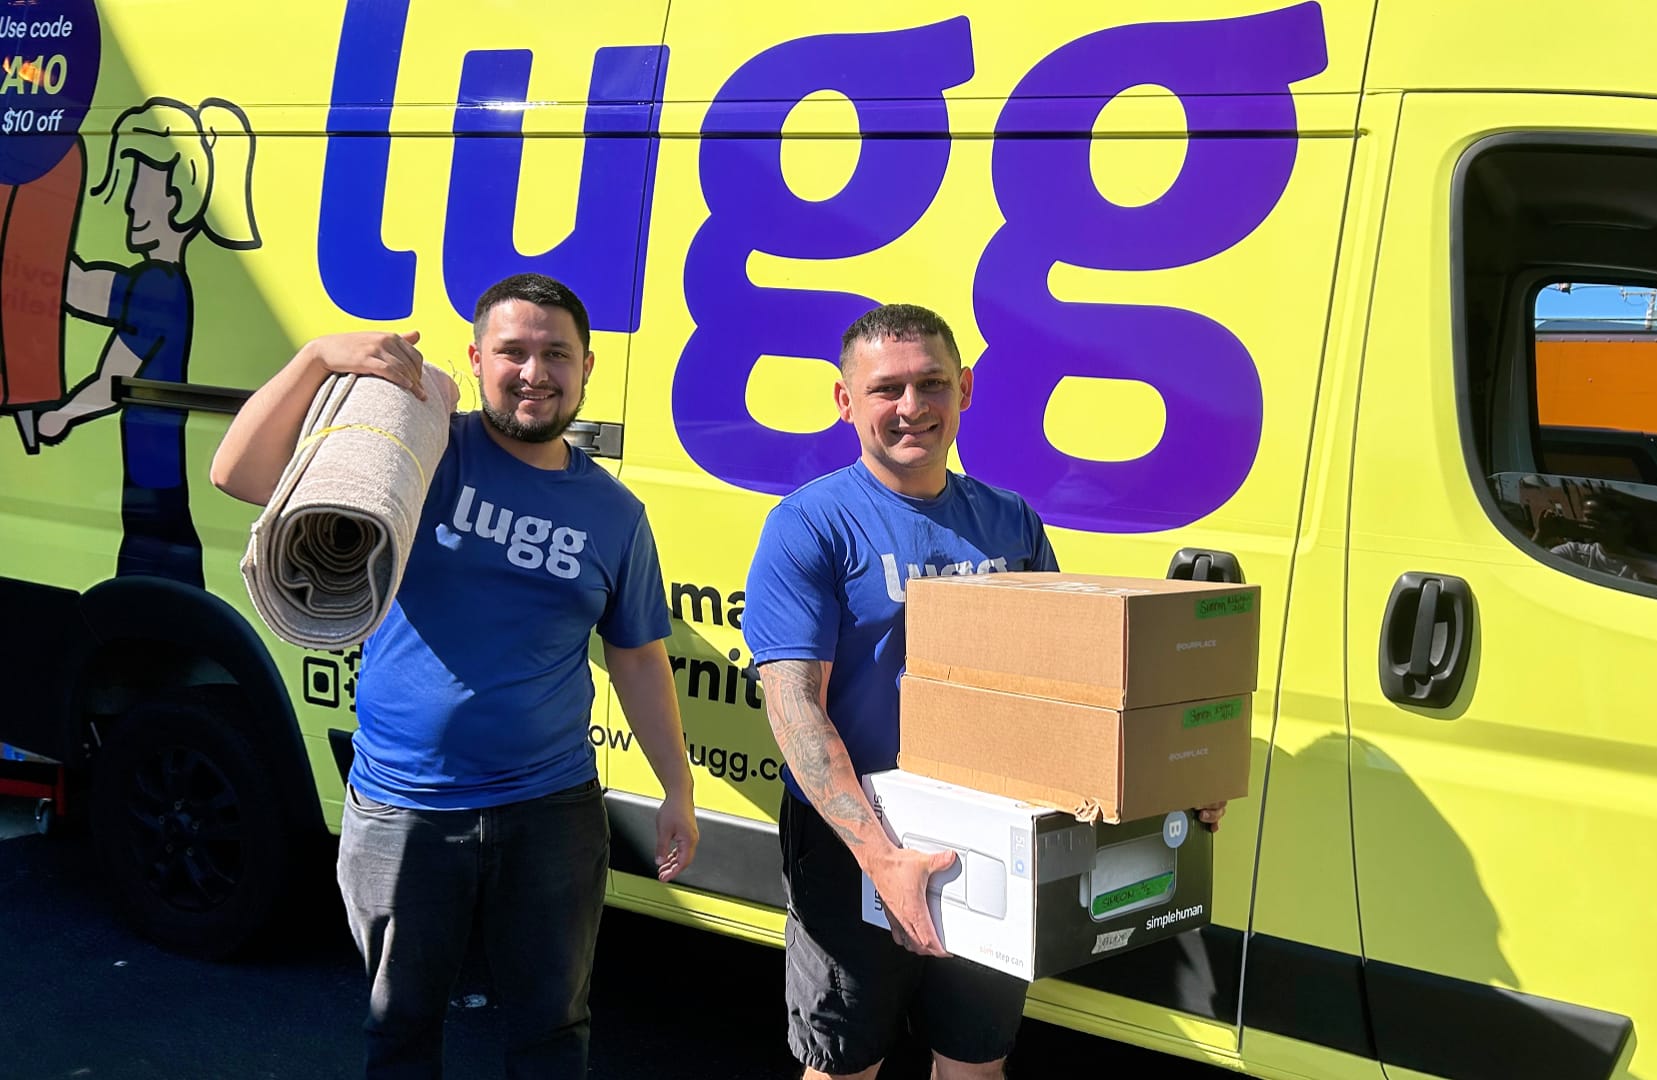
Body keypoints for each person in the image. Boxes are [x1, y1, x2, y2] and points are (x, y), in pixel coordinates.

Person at [209, 272, 698, 1080]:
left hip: (551, 811)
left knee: (552, 1032)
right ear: (476, 360)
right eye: (513, 352)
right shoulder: (419, 448)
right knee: (400, 1030)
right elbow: (241, 474)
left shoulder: (615, 515)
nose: (535, 372)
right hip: (404, 807)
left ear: (586, 368)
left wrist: (676, 788)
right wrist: (316, 358)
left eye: (556, 354)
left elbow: (638, 656)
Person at [744, 303, 1226, 1080]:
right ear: (845, 401)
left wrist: (1171, 785)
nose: (911, 406)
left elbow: (1072, 688)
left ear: (964, 388)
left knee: (975, 1060)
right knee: (844, 1066)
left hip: (989, 833)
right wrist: (880, 856)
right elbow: (794, 706)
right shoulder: (811, 526)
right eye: (886, 388)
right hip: (852, 840)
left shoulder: (1009, 522)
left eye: (932, 383)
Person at [31, 97, 260, 586]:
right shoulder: (155, 282)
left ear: (175, 201)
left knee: (145, 595)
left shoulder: (159, 286)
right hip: (157, 484)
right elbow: (80, 285)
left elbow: (112, 380)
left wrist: (59, 416)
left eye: (141, 186)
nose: (131, 202)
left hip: (153, 488)